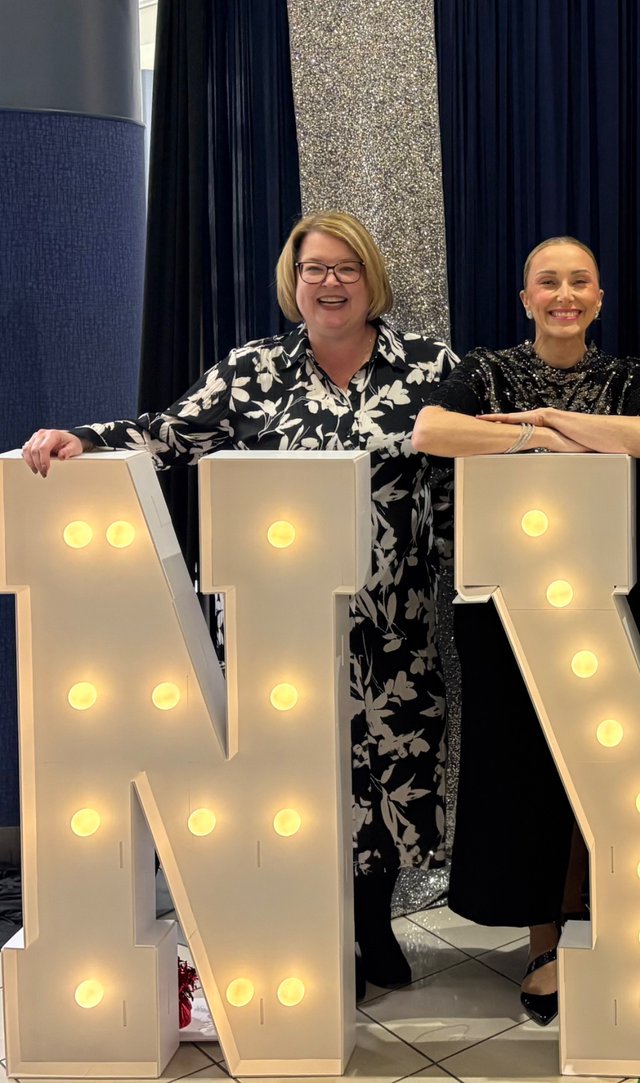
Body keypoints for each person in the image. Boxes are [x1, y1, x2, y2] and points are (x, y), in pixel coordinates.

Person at [21, 211, 457, 999]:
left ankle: (369, 924)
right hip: (275, 630)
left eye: (346, 268)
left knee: (388, 773)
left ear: (373, 279)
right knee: (290, 777)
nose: (330, 282)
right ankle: (313, 940)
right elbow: (167, 434)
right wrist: (83, 436)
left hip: (391, 625)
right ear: (294, 282)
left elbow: (470, 471)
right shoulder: (254, 369)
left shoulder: (428, 367)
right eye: (315, 268)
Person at [411, 236, 640, 1024]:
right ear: (525, 297)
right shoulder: (484, 368)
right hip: (501, 602)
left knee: (601, 764)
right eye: (548, 282)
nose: (564, 293)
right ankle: (543, 943)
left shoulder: (625, 375)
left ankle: (613, 927)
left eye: (579, 281)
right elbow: (433, 431)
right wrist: (540, 439)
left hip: (602, 592)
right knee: (522, 767)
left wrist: (554, 417)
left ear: (598, 298)